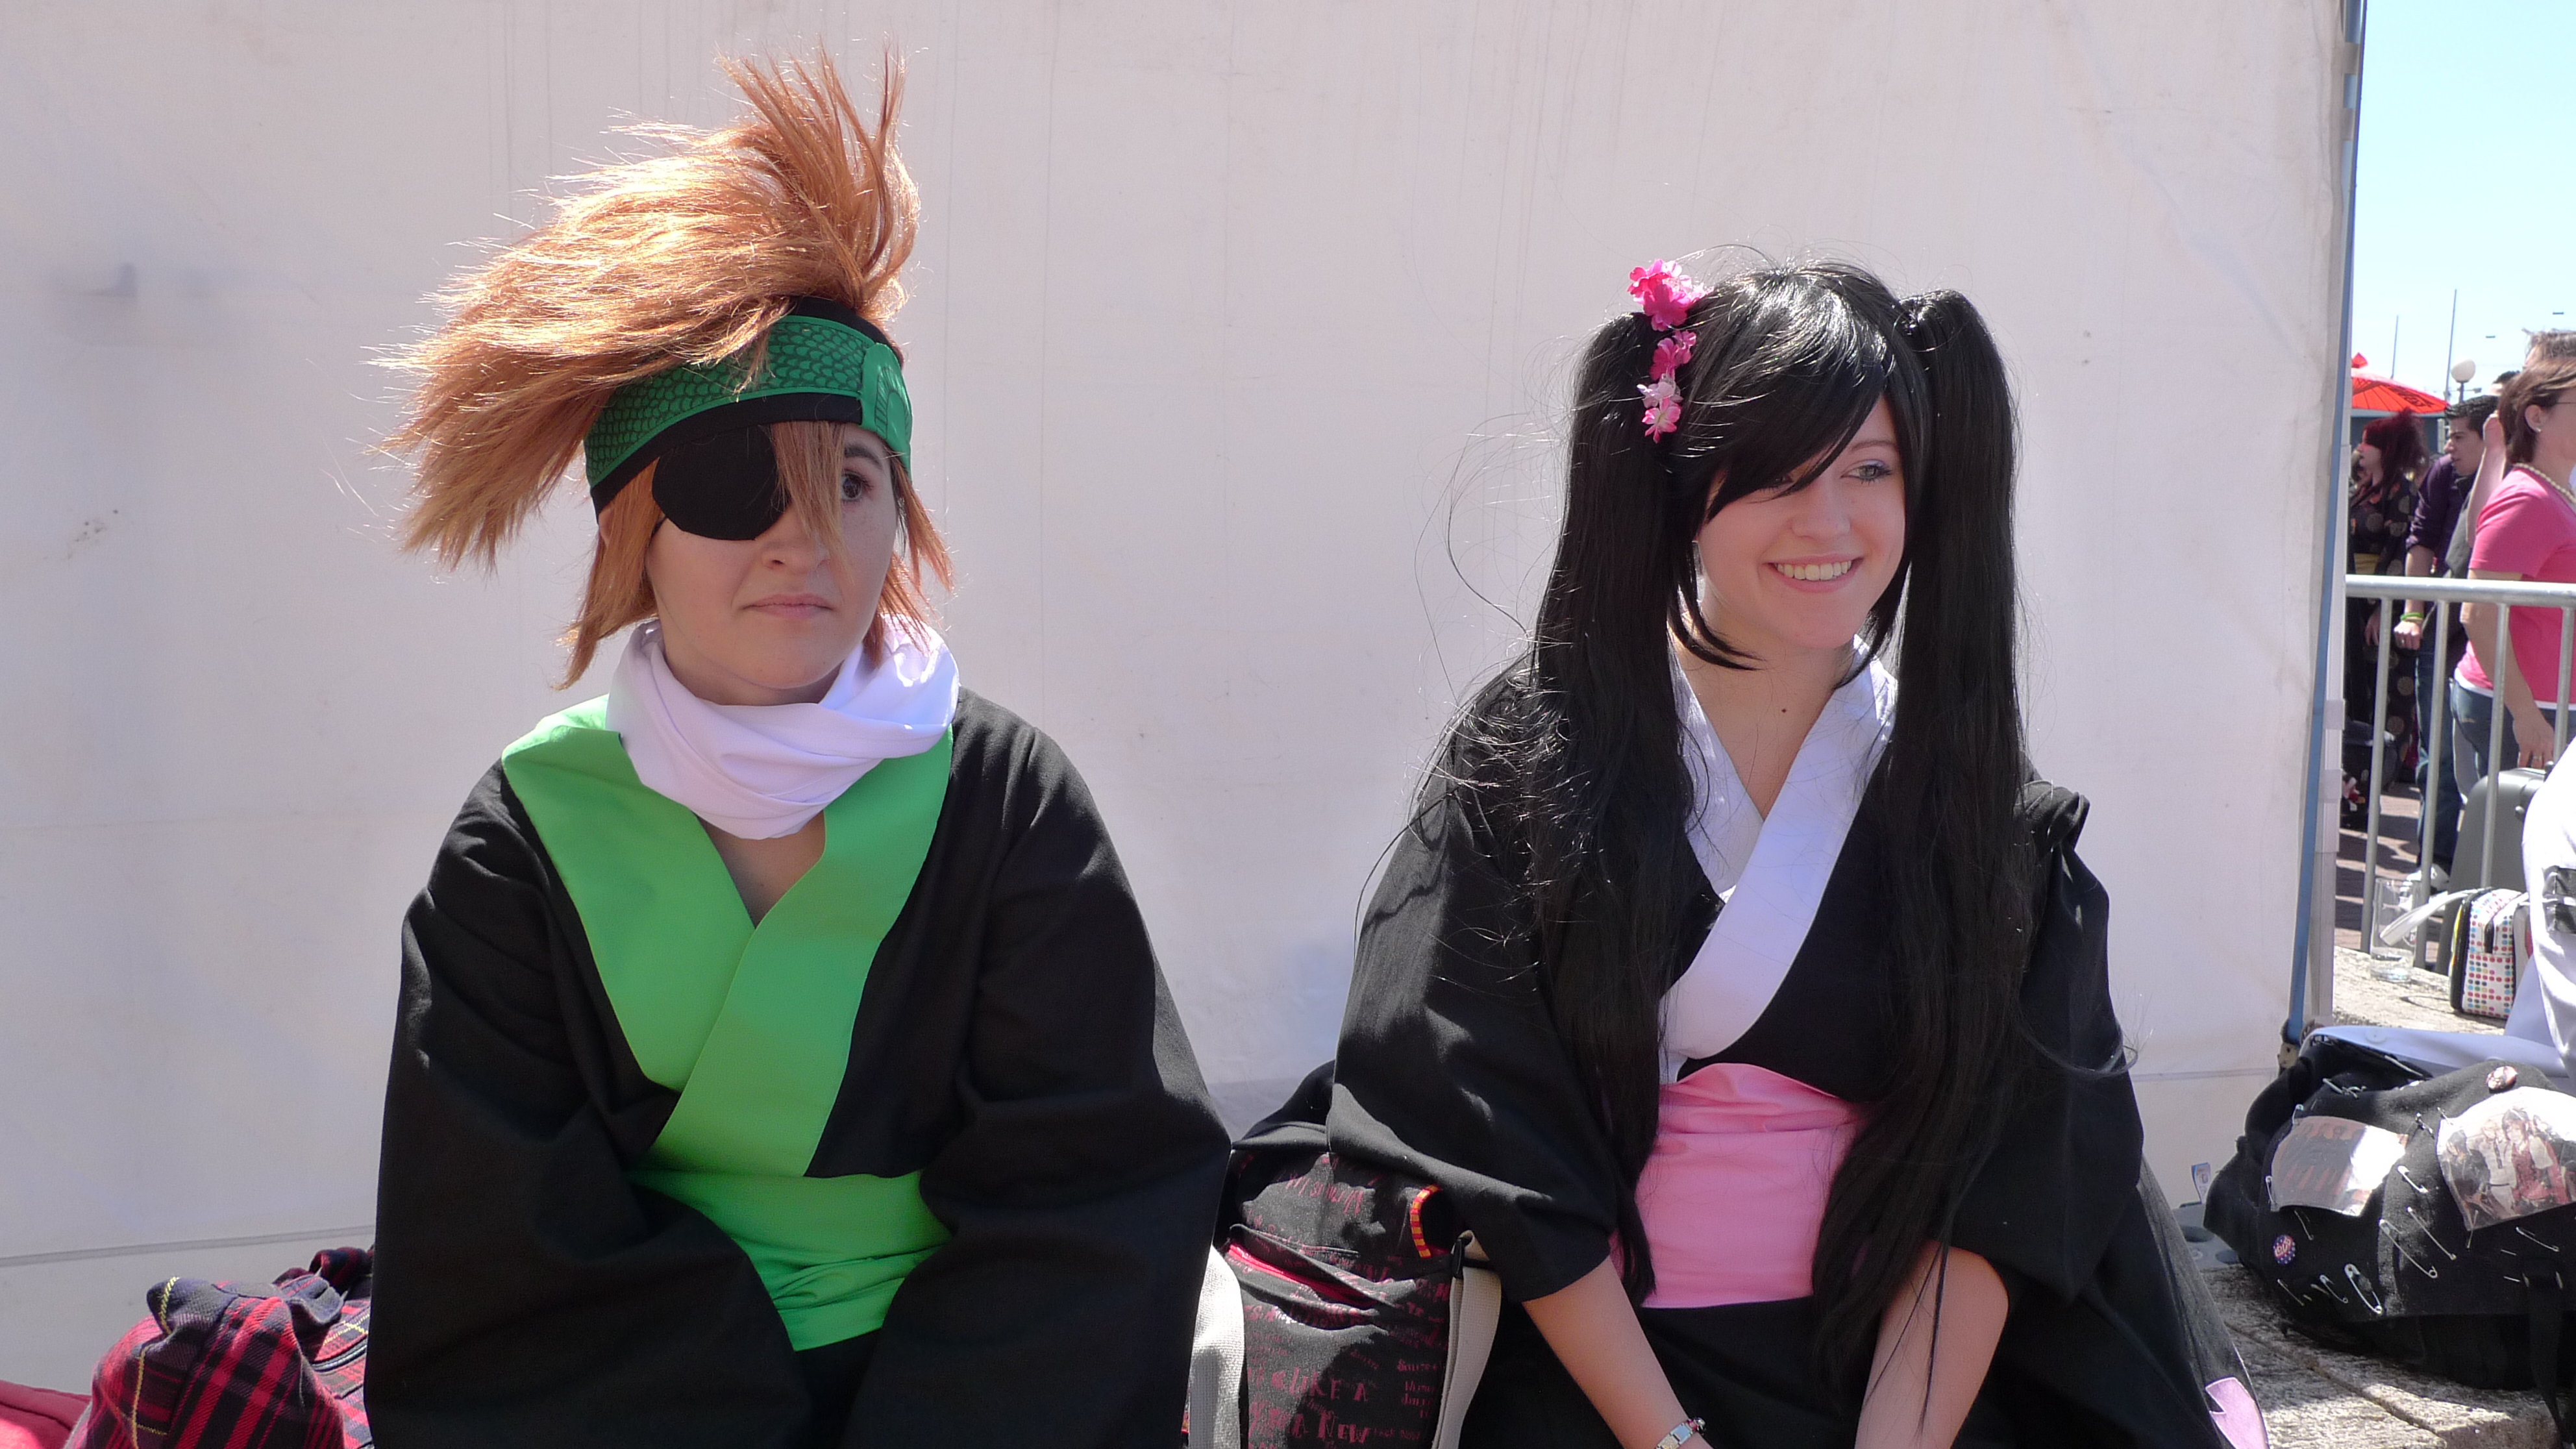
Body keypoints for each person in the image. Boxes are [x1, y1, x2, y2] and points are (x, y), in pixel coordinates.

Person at [365, 53, 1229, 1447]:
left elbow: (1094, 1188)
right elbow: (500, 1247)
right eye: (735, 487)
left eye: (851, 481)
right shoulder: (524, 839)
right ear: (634, 528)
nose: (802, 541)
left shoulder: (1003, 801)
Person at [1321, 262, 2253, 1447]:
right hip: (1589, 1373)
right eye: (1775, 474)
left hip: (1892, 1380)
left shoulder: (1973, 803)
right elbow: (1492, 1135)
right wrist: (1665, 1438)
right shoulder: (1533, 758)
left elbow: (1997, 1189)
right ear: (1678, 484)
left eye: (1869, 470)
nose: (1827, 522)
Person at [2454, 354, 2576, 787]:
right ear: (2537, 417)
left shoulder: (2552, 493)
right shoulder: (2528, 498)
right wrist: (2524, 713)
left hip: (2547, 703)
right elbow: (2478, 613)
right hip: (2528, 707)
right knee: (2513, 828)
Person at [2394, 395, 2494, 876]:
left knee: (2494, 764)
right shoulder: (2441, 474)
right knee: (2439, 758)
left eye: (2458, 436)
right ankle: (2434, 864)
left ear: (2491, 438)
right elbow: (2422, 541)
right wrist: (2413, 614)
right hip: (2446, 634)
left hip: (2500, 637)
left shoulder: (2522, 476)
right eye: (2447, 436)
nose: (2448, 446)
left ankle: (2488, 869)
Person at [2344, 412, 2427, 824]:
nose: (2361, 449)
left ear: (2386, 449)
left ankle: (2383, 774)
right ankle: (2357, 779)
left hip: (2380, 605)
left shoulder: (2401, 492)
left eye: (2368, 442)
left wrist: (2384, 607)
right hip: (2355, 603)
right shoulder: (2363, 490)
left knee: (2387, 692)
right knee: (2359, 689)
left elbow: (2399, 551)